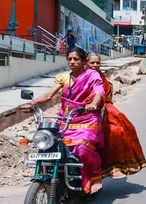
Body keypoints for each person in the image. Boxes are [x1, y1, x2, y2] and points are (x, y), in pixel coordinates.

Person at [23, 47, 104, 194]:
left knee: (83, 149)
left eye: (76, 59)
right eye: (70, 59)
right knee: (48, 145)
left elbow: (99, 93)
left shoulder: (92, 76)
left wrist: (93, 104)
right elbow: (48, 95)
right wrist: (32, 104)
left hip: (88, 118)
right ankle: (46, 178)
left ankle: (94, 177)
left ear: (84, 61)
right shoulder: (64, 78)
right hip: (65, 119)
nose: (72, 62)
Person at [86, 54, 146, 179]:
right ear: (85, 63)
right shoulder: (77, 77)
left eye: (98, 63)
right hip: (78, 112)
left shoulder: (100, 76)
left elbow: (103, 95)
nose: (95, 65)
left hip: (100, 109)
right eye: (92, 63)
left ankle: (114, 166)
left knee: (117, 131)